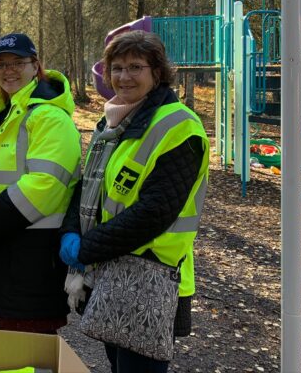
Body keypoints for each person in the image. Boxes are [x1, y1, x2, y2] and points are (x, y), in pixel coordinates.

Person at [59, 30, 209, 373]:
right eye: (117, 67)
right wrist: (71, 230)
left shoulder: (179, 126)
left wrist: (87, 247)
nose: (124, 77)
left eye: (136, 67)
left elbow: (155, 213)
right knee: (116, 364)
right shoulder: (114, 121)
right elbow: (89, 186)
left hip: (152, 277)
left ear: (157, 73)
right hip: (112, 271)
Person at [0, 32, 81, 334]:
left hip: (32, 262)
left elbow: (44, 186)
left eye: (18, 62)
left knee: (29, 355)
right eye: (1, 64)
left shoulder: (50, 118)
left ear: (36, 66)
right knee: (2, 352)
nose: (9, 71)